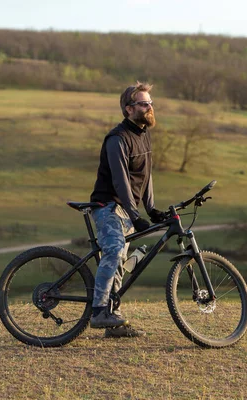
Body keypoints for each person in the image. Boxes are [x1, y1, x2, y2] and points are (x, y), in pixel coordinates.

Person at [89, 82, 167, 338]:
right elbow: (120, 181)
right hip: (108, 207)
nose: (149, 107)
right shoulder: (117, 139)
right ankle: (99, 311)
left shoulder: (143, 134)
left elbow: (146, 176)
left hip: (127, 210)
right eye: (144, 104)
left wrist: (152, 209)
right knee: (113, 252)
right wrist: (136, 215)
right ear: (128, 109)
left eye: (151, 103)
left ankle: (114, 320)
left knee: (121, 264)